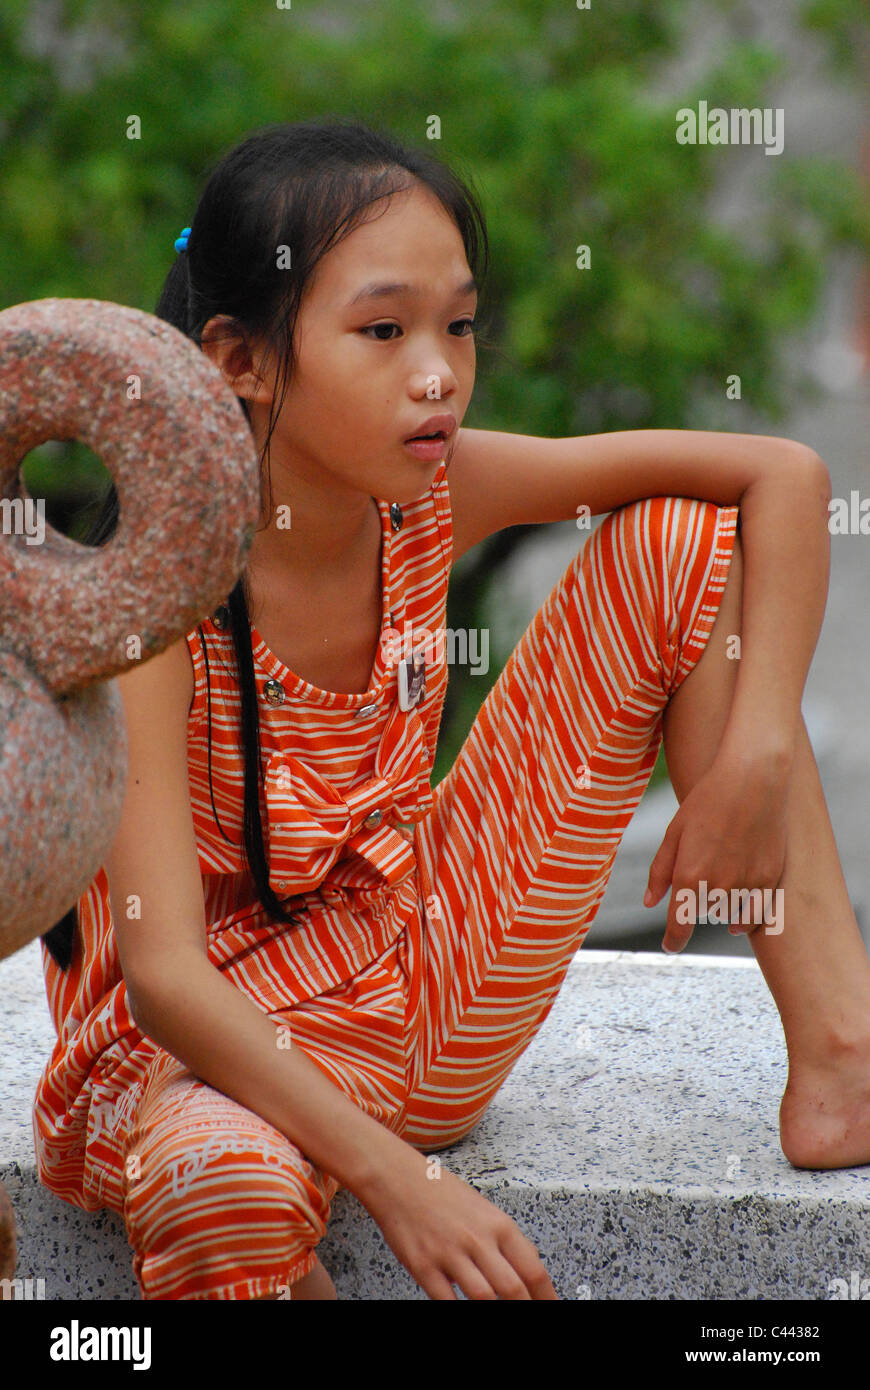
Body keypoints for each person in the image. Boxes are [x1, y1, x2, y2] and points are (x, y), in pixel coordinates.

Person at [33, 118, 870, 1302]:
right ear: (241, 357)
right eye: (383, 331)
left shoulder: (430, 492)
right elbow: (165, 976)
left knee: (679, 545)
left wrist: (762, 747)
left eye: (458, 325)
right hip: (217, 1062)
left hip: (433, 983)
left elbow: (780, 475)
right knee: (224, 1183)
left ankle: (843, 1059)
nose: (438, 371)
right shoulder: (157, 597)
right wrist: (397, 1182)